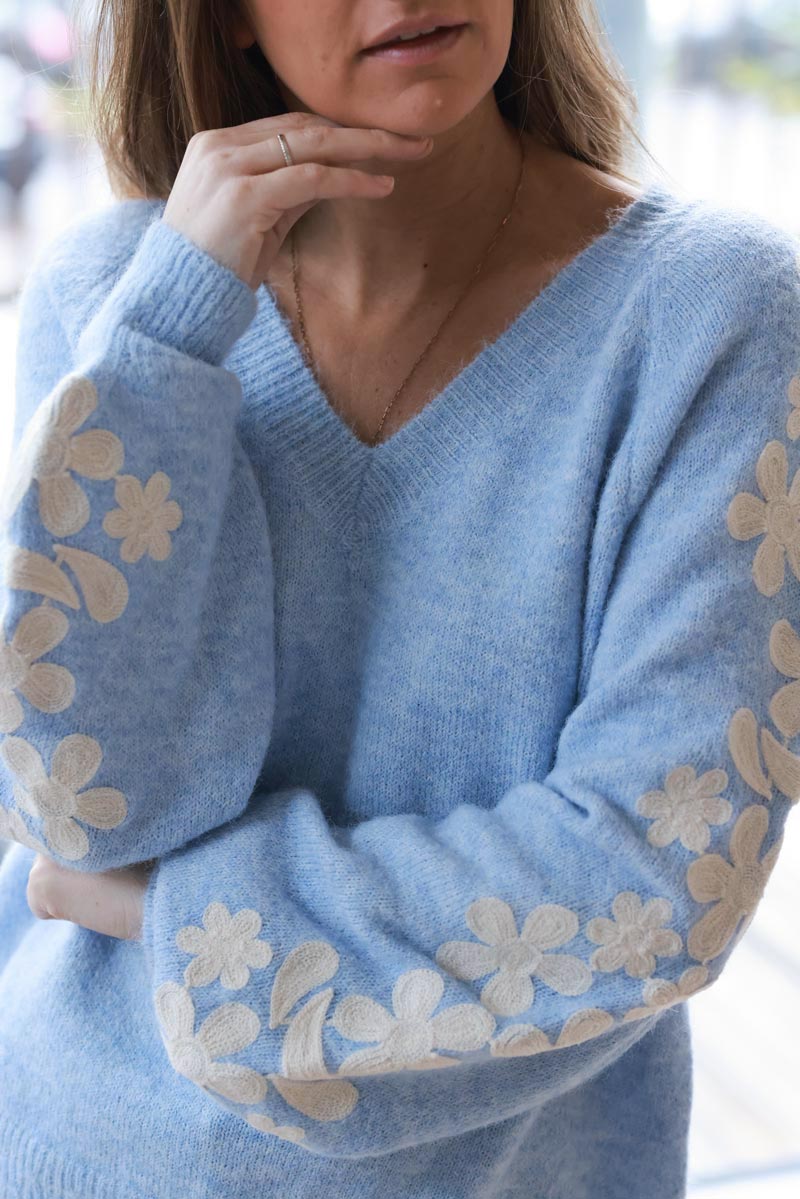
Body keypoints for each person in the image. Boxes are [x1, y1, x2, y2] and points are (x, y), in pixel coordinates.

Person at [1, 2, 798, 1196]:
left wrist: (170, 909)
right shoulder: (114, 294)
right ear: (220, 19)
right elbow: (81, 804)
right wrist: (170, 326)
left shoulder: (713, 315)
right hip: (78, 1149)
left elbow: (651, 883)